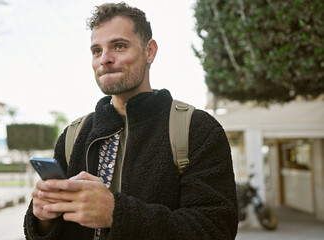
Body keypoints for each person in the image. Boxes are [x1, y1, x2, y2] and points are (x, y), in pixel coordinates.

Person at [24, 2, 238, 240]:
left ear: (150, 51)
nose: (104, 59)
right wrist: (43, 219)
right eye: (96, 51)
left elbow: (216, 229)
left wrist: (116, 214)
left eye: (119, 46)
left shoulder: (197, 130)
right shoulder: (74, 135)